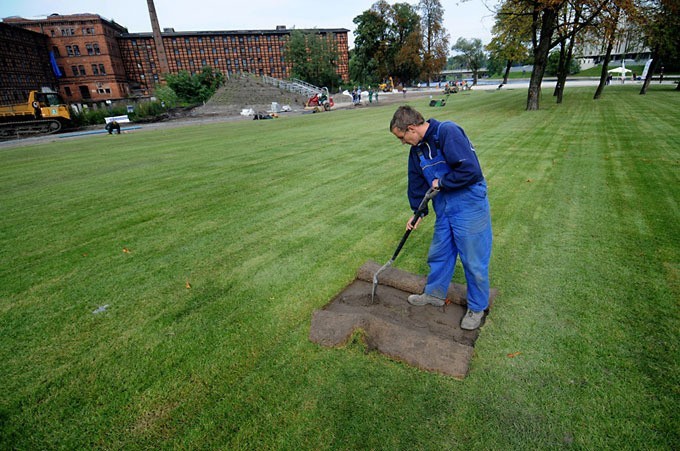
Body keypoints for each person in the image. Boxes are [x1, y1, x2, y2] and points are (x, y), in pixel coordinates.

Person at [389, 106, 493, 330]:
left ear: (411, 128)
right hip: (444, 206)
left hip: (469, 203)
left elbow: (470, 170)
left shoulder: (447, 132)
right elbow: (417, 185)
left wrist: (442, 183)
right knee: (440, 253)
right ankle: (435, 294)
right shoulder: (416, 151)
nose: (403, 142)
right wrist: (418, 213)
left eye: (402, 137)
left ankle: (477, 308)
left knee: (473, 259)